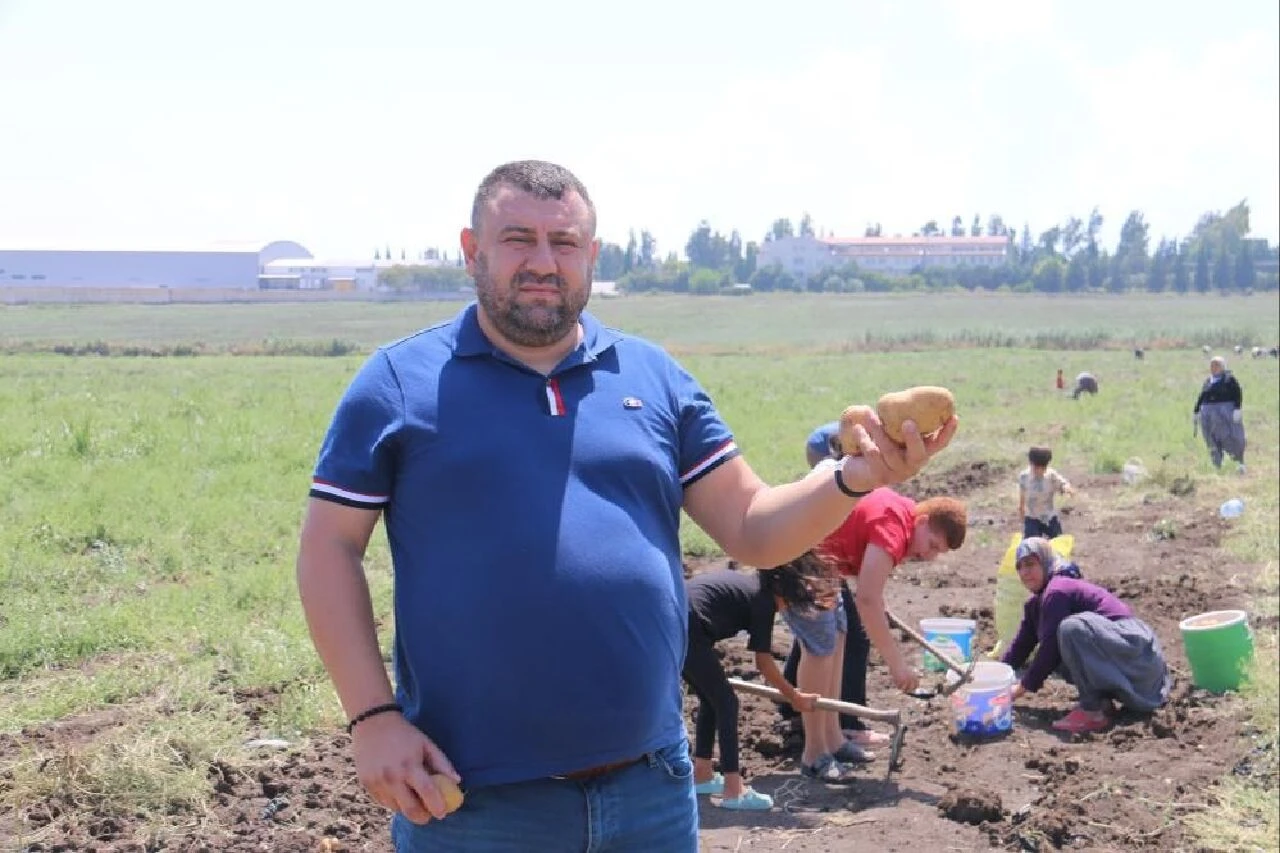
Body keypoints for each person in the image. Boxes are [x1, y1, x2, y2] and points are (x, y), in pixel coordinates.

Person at [295, 159, 958, 853]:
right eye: (518, 239)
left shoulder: (652, 375)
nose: (543, 262)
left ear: (592, 254)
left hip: (650, 793)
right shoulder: (400, 382)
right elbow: (328, 547)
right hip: (475, 802)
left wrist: (852, 477)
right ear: (471, 250)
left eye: (564, 242)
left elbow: (751, 526)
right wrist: (372, 718)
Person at [781, 482, 968, 748]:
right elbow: (867, 600)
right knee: (840, 639)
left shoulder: (903, 513)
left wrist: (876, 603)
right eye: (932, 545)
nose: (930, 556)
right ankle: (833, 726)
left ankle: (804, 713)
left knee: (833, 632)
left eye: (938, 552)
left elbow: (868, 583)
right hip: (801, 554)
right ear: (923, 521)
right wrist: (897, 665)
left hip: (818, 557)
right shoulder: (893, 528)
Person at [683, 563, 825, 808]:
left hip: (674, 621)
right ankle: (734, 790)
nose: (785, 609)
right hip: (689, 628)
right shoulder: (764, 601)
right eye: (789, 603)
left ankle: (702, 774)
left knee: (712, 699)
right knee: (727, 703)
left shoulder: (748, 584)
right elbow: (764, 663)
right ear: (782, 591)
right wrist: (794, 696)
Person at [1002, 538, 1171, 734]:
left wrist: (1020, 689)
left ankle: (1093, 710)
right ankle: (1102, 702)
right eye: (1020, 567)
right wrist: (991, 677)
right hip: (1126, 657)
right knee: (1061, 648)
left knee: (1070, 630)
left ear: (1046, 562)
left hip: (1139, 658)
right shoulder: (1036, 605)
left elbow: (1050, 648)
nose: (1024, 572)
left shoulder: (1058, 590)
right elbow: (1020, 647)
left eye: (1030, 564)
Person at [1193, 355, 1246, 474]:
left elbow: (1237, 392)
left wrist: (1237, 408)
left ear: (1222, 366)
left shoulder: (1229, 379)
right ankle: (1217, 465)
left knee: (1230, 437)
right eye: (1212, 365)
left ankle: (1239, 463)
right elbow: (1202, 396)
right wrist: (1196, 411)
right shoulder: (1208, 381)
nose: (1213, 367)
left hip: (1224, 413)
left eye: (1216, 365)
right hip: (1207, 414)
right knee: (1211, 439)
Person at [1017, 446, 1073, 540]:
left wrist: (1067, 488)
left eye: (1043, 468)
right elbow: (1022, 495)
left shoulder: (1051, 475)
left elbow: (1063, 483)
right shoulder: (1024, 476)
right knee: (1031, 544)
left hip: (1049, 516)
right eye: (1036, 468)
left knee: (1058, 541)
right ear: (1031, 464)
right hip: (1032, 517)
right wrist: (1021, 511)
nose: (1040, 471)